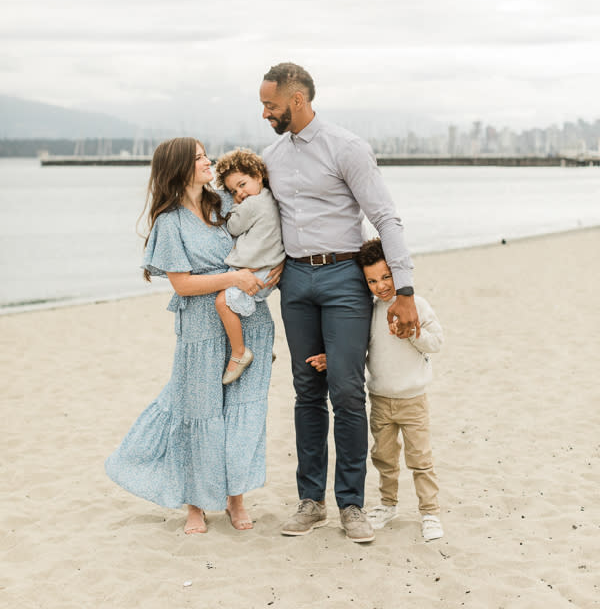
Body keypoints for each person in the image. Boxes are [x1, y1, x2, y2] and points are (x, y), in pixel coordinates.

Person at [259, 62, 418, 544]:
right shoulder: (271, 156)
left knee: (346, 391)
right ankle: (311, 502)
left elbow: (386, 218)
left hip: (344, 279)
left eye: (271, 104)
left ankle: (351, 504)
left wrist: (405, 289)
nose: (265, 112)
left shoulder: (347, 148)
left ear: (298, 101)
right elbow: (253, 214)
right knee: (306, 389)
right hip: (295, 283)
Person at [105, 137, 278, 534]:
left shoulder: (226, 202)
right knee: (198, 414)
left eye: (206, 155)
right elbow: (182, 284)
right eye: (200, 158)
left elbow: (268, 229)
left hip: (249, 318)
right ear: (181, 167)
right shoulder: (169, 222)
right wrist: (235, 276)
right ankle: (196, 504)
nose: (209, 162)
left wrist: (275, 268)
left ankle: (236, 497)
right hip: (200, 328)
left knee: (241, 412)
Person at [307, 238, 444, 542]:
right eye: (372, 280)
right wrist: (335, 359)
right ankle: (388, 505)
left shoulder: (415, 305)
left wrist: (412, 333)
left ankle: (429, 512)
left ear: (397, 272)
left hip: (413, 399)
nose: (381, 286)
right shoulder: (369, 312)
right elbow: (361, 351)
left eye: (386, 277)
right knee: (383, 457)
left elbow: (436, 342)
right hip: (380, 398)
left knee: (420, 458)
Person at [213, 148, 285, 385]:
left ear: (258, 174)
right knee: (241, 308)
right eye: (234, 191)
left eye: (242, 185)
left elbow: (233, 227)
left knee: (222, 303)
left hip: (257, 271)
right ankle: (262, 350)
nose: (240, 193)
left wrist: (232, 206)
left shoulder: (252, 204)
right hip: (267, 270)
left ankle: (239, 353)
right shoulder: (271, 198)